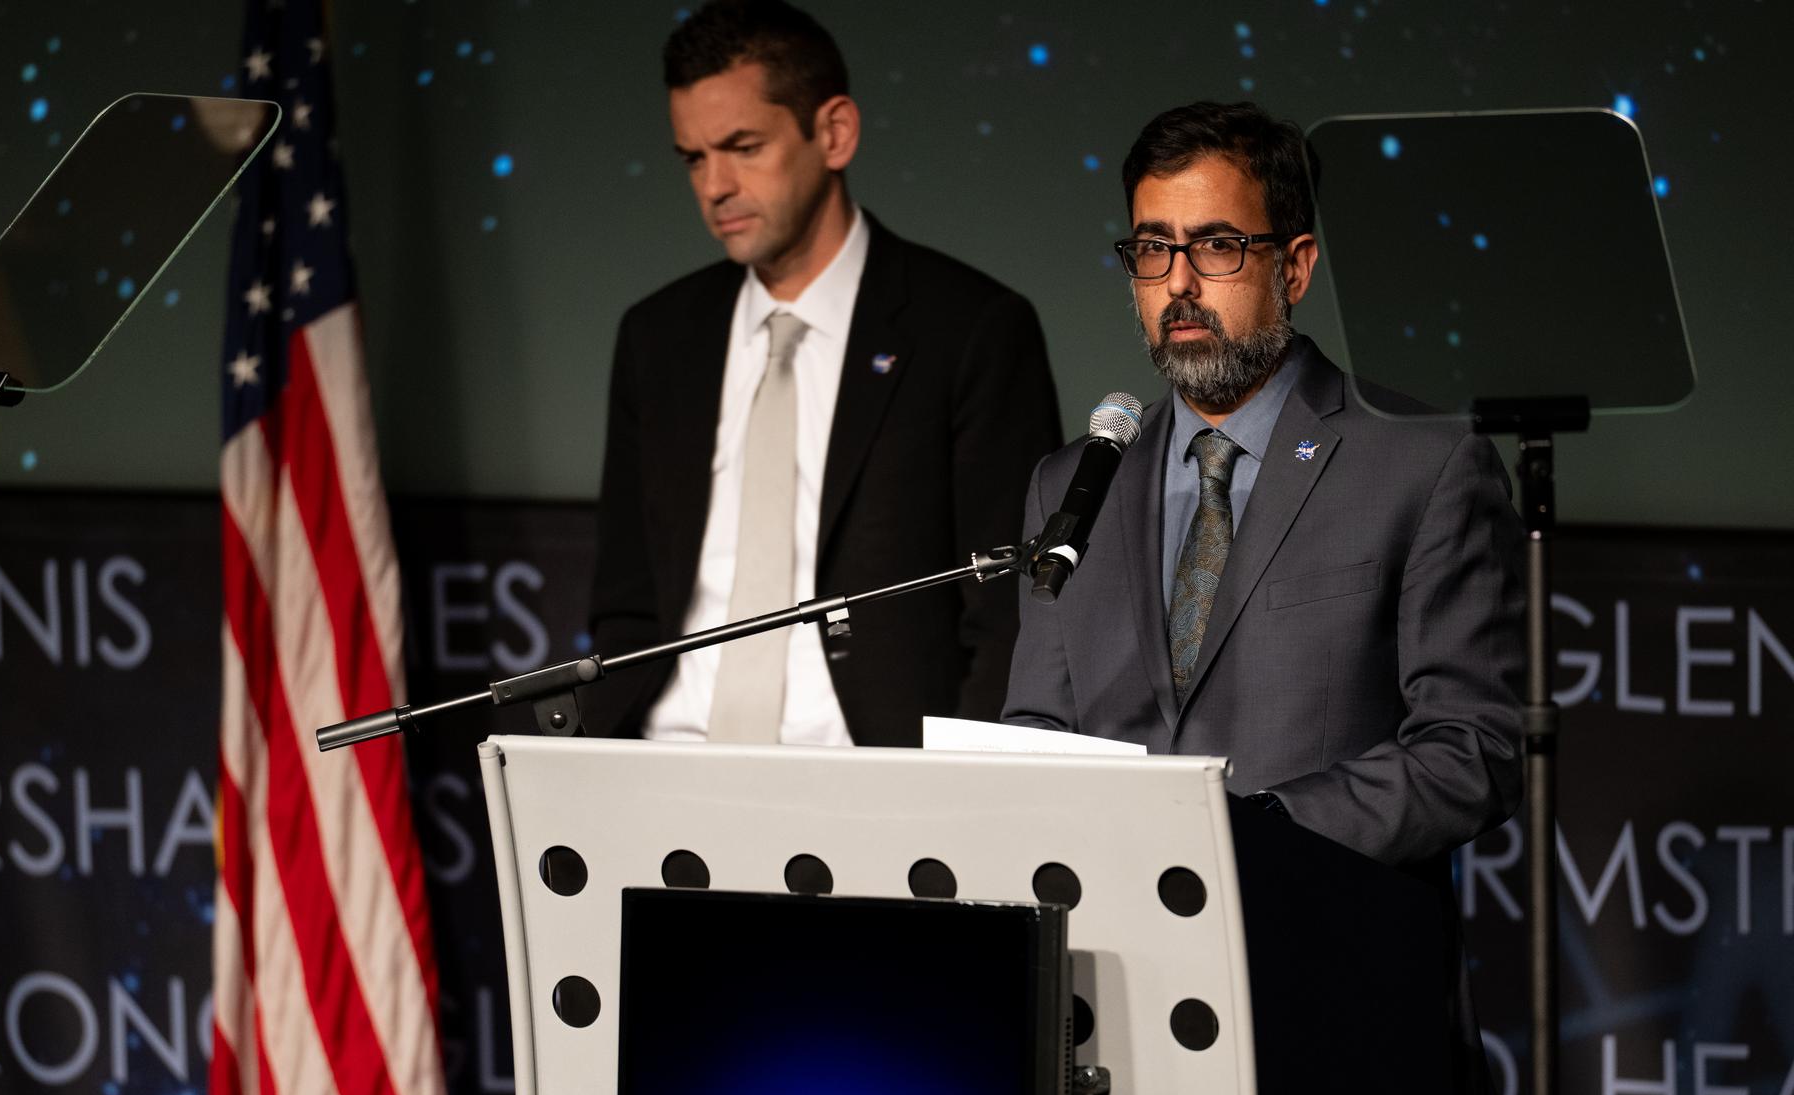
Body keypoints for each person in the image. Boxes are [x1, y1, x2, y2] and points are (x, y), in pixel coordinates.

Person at [1003, 100, 1524, 872]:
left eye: (1216, 246)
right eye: (1152, 248)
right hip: (1109, 956)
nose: (1178, 283)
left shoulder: (1426, 463)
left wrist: (1258, 831)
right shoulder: (1072, 485)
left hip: (1321, 947)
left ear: (1295, 265)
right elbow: (1039, 727)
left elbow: (1473, 747)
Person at [586, 0, 1061, 748]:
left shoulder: (970, 329)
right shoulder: (657, 338)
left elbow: (1007, 609)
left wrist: (962, 800)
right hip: (667, 764)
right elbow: (625, 601)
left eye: (743, 146)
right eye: (694, 157)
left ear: (834, 133)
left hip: (873, 780)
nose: (714, 185)